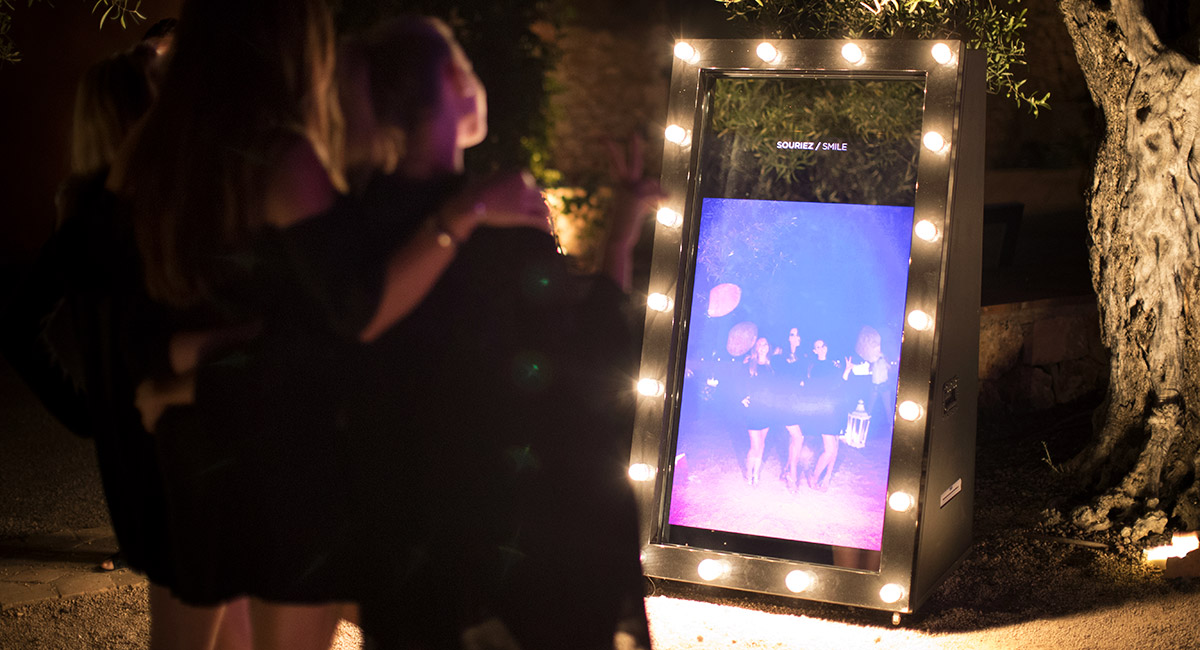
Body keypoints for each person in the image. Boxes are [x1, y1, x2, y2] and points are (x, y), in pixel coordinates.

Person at [113, 0, 355, 647]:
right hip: (272, 435)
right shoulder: (285, 157)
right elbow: (340, 324)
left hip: (193, 443)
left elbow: (140, 310)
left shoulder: (159, 148)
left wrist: (187, 361)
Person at [807, 338, 844, 491]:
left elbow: (840, 386)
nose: (821, 348)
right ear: (814, 351)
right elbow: (824, 388)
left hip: (836, 409)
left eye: (823, 345)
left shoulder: (834, 365)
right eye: (817, 347)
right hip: (824, 411)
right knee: (829, 449)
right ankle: (814, 476)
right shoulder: (815, 367)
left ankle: (827, 477)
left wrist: (846, 372)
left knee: (835, 447)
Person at [741, 336, 777, 486]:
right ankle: (749, 473)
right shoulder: (749, 364)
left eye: (765, 344)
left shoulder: (771, 366)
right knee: (754, 446)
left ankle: (756, 473)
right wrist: (741, 397)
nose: (763, 346)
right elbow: (738, 382)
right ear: (755, 347)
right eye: (760, 344)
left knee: (762, 445)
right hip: (754, 409)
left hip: (767, 409)